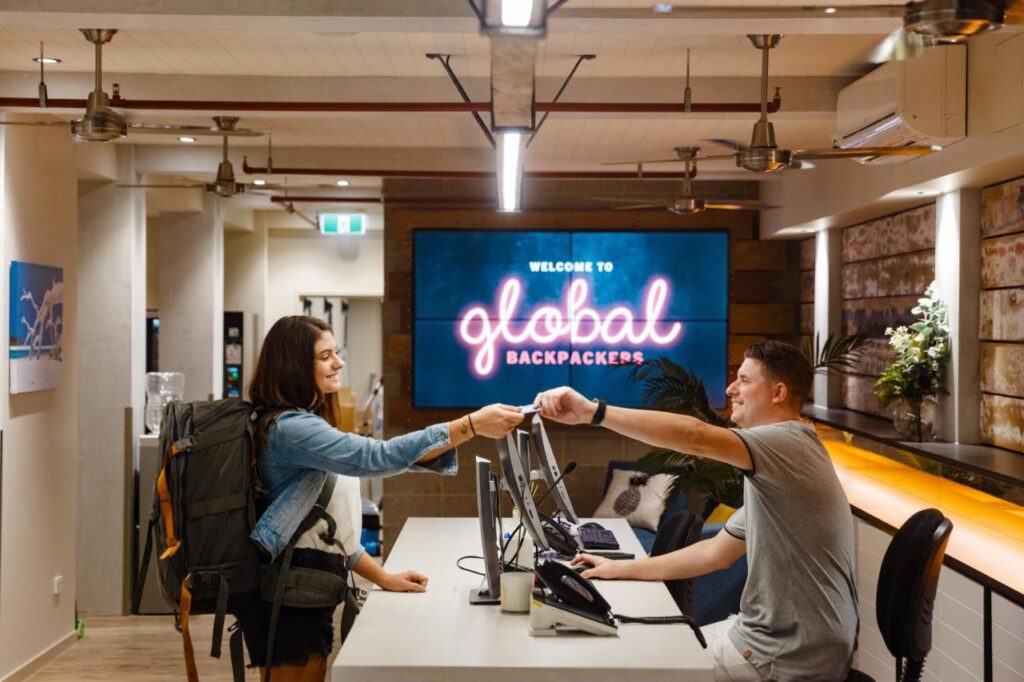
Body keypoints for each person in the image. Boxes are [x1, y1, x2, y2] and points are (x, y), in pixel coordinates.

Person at [533, 341, 857, 682]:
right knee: (638, 647)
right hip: (780, 642)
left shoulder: (786, 443)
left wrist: (592, 413)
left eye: (745, 380)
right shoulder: (784, 464)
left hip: (786, 654)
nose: (731, 389)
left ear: (778, 392)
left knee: (624, 669)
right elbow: (716, 552)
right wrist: (620, 569)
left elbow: (695, 436)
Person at [239, 315, 524, 681]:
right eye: (326, 356)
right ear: (294, 365)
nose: (339, 363)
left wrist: (382, 577)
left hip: (307, 591)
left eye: (336, 353)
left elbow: (327, 535)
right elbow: (376, 456)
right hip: (289, 599)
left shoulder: (301, 426)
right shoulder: (292, 429)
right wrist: (469, 425)